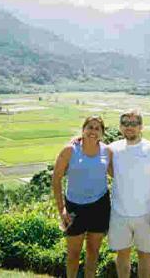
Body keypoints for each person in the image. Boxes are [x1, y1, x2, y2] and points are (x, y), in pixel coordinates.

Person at [108, 110, 150, 278]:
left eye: (134, 124)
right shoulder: (113, 149)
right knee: (122, 256)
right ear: (120, 127)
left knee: (146, 257)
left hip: (147, 214)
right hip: (119, 213)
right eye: (125, 123)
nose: (129, 127)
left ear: (141, 127)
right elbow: (111, 170)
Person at [52, 115, 113, 278]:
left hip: (100, 205)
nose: (93, 131)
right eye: (90, 127)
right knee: (73, 254)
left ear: (102, 133)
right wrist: (62, 209)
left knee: (93, 253)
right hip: (74, 207)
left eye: (97, 128)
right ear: (83, 129)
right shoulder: (70, 150)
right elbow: (56, 178)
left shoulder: (107, 151)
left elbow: (117, 175)